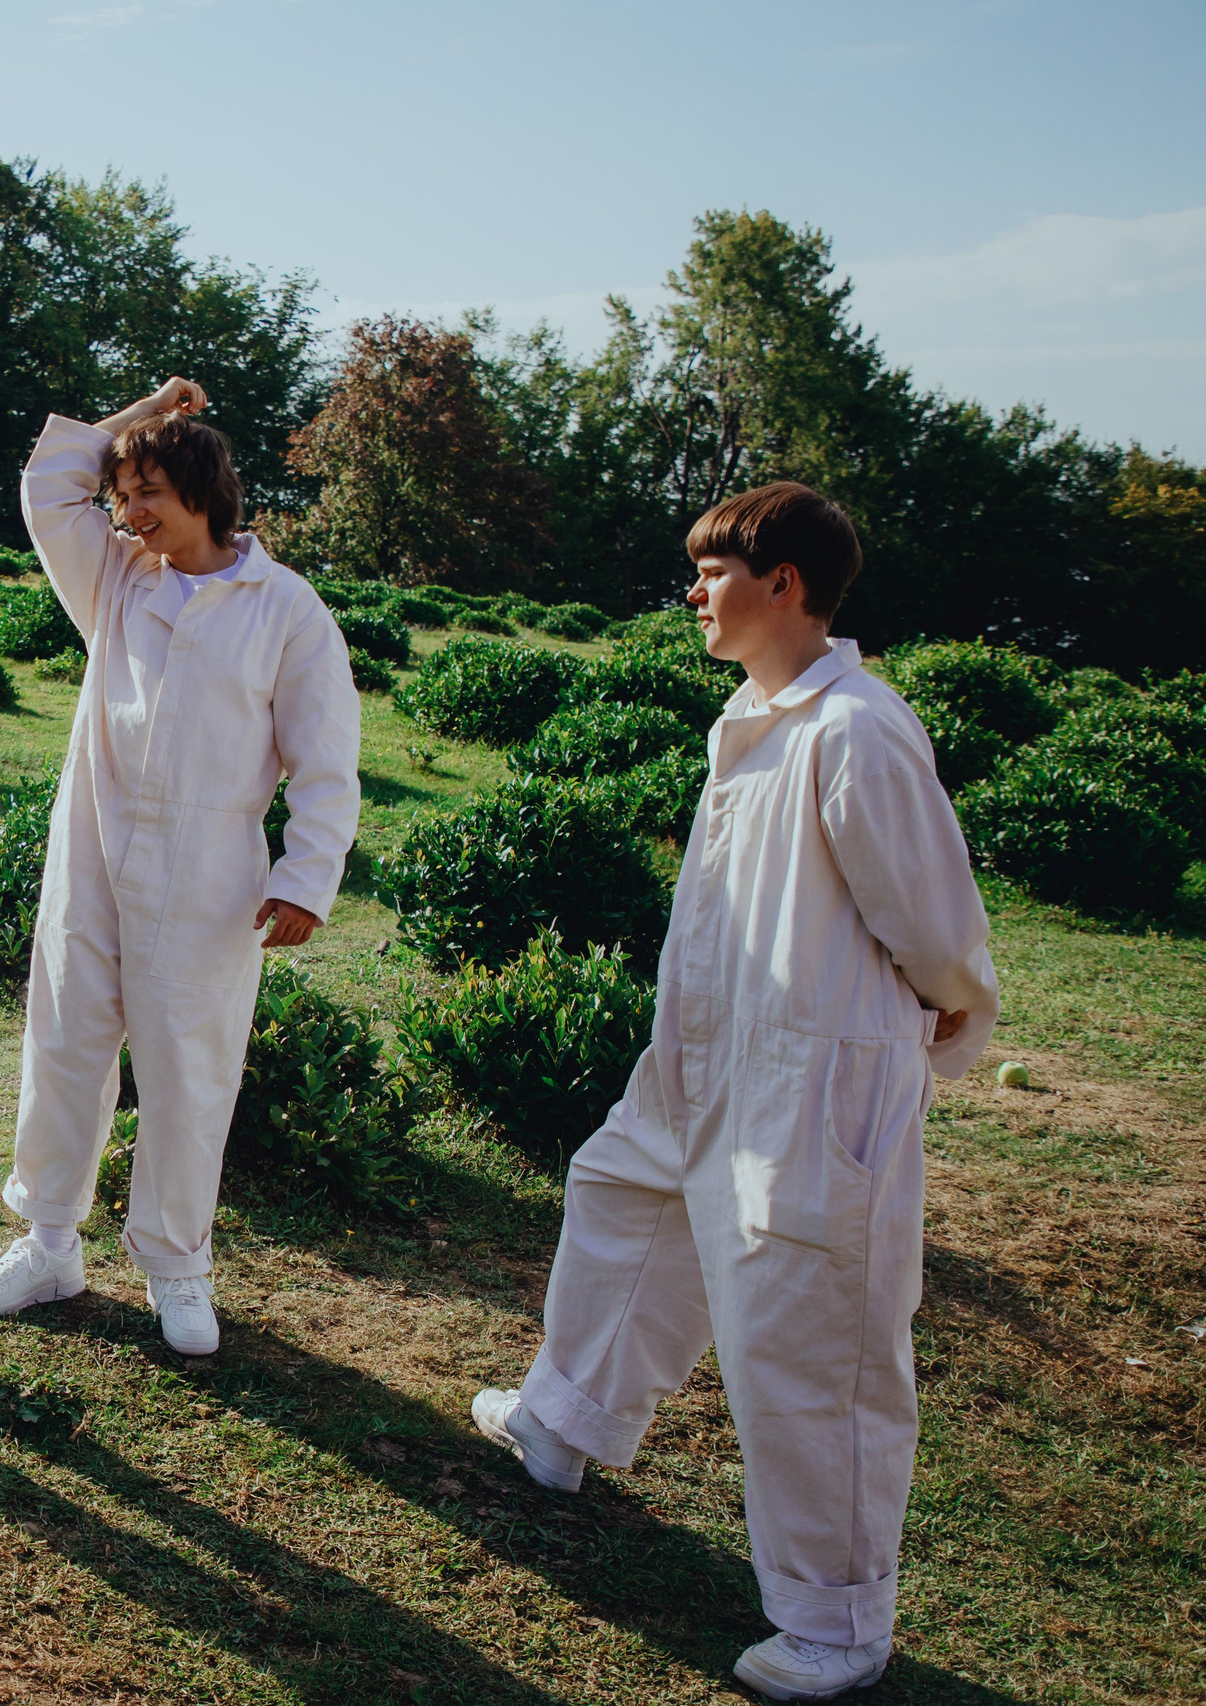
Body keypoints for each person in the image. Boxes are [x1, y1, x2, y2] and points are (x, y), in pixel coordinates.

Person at [468, 482, 999, 1701]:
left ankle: (836, 1619)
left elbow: (928, 914)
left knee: (806, 1334)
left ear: (787, 583)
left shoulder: (855, 728)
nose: (693, 592)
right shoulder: (750, 716)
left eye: (713, 571)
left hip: (811, 1076)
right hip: (703, 1053)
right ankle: (564, 1420)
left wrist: (952, 999)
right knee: (622, 1202)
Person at [0, 378, 361, 1357]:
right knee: (64, 1038)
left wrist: (305, 876)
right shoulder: (117, 577)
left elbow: (327, 756)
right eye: (124, 494)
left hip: (209, 862)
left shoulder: (285, 611)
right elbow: (49, 489)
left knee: (188, 1065)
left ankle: (176, 1266)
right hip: (93, 834)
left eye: (148, 496)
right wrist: (135, 417)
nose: (127, 514)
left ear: (206, 496)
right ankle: (48, 1242)